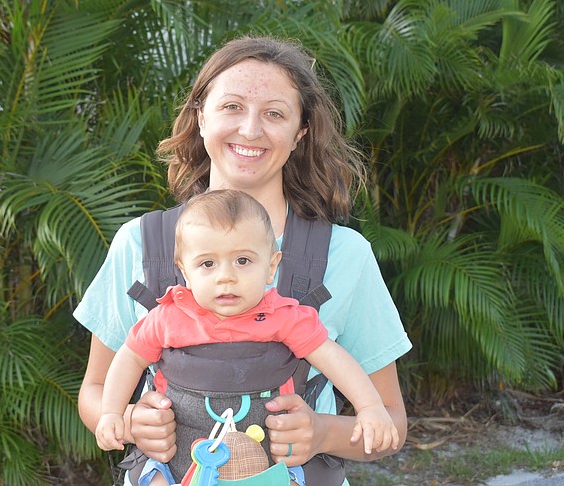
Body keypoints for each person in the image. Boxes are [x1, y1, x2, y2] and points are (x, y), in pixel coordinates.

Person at [74, 35, 412, 486]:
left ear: (300, 133)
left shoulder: (345, 255)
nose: (251, 129)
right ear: (200, 117)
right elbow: (93, 395)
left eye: (275, 113)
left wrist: (323, 432)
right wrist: (133, 422)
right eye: (231, 106)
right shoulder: (139, 244)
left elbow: (391, 423)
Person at [94, 189, 400, 485]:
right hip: (179, 455)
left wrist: (369, 407)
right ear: (184, 271)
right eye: (208, 263)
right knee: (155, 477)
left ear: (270, 267)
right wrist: (113, 412)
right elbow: (129, 357)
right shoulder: (168, 317)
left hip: (265, 457)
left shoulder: (284, 316)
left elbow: (333, 358)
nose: (226, 276)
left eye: (243, 261)